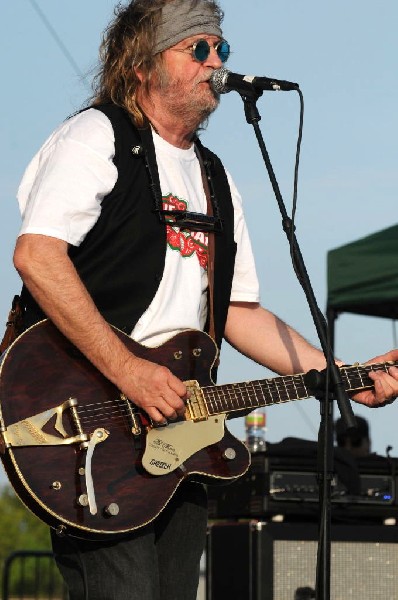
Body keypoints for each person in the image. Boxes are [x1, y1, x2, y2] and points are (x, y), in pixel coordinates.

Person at [11, 1, 398, 598]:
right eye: (197, 49)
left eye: (221, 50)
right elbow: (37, 256)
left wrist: (344, 374)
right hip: (88, 422)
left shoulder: (214, 176)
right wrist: (131, 372)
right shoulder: (96, 137)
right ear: (142, 63)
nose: (216, 62)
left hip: (181, 435)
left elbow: (238, 313)